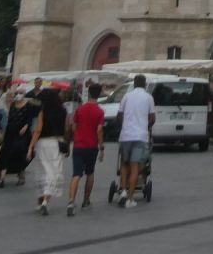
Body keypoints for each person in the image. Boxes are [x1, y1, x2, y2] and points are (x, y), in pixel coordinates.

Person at [65, 82, 106, 216]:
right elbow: (99, 130)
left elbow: (73, 126)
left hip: (78, 145)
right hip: (91, 146)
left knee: (76, 174)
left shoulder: (80, 109)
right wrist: (101, 147)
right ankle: (86, 200)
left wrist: (77, 135)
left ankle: (71, 201)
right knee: (90, 173)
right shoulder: (99, 111)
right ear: (99, 95)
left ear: (88, 94)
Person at [26, 86, 68, 216]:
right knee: (54, 171)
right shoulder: (63, 111)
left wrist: (30, 147)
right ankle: (45, 201)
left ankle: (40, 202)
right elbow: (67, 129)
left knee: (42, 170)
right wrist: (66, 144)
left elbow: (38, 130)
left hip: (43, 143)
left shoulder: (43, 112)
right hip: (57, 143)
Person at [115, 74, 155, 208]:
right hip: (140, 136)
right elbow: (152, 118)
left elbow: (119, 115)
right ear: (144, 84)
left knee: (124, 164)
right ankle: (130, 199)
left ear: (134, 84)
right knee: (135, 167)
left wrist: (124, 126)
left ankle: (124, 191)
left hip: (126, 135)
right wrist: (146, 125)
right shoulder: (148, 97)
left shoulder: (127, 96)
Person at [0, 90, 37, 187]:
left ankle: (21, 175)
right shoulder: (13, 105)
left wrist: (25, 127)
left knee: (20, 154)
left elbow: (29, 120)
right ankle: (1, 179)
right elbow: (10, 119)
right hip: (11, 133)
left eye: (20, 94)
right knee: (4, 153)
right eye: (16, 94)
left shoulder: (28, 105)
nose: (18, 96)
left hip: (23, 135)